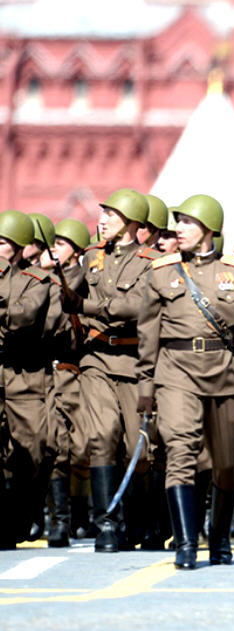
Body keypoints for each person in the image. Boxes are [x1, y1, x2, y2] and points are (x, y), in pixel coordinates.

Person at [136, 193, 234, 569]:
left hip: (226, 375)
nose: (178, 229)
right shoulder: (162, 272)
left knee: (228, 462)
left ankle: (219, 537)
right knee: (180, 451)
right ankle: (185, 542)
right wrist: (146, 388)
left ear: (208, 228)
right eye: (177, 222)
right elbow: (148, 334)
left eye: (187, 223)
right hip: (176, 372)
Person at [60, 188, 153, 552]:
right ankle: (107, 524)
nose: (102, 222)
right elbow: (71, 297)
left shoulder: (150, 261)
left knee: (138, 449)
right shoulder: (92, 257)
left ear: (132, 222)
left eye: (111, 216)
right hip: (97, 357)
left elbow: (137, 306)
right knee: (102, 435)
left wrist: (88, 304)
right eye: (102, 216)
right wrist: (67, 288)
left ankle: (137, 521)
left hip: (134, 360)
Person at [0, 210, 52, 549]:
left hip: (24, 376)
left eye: (2, 243)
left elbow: (25, 317)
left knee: (33, 451)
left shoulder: (36, 279)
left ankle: (25, 516)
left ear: (18, 247)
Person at [40, 218, 92, 547]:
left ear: (75, 252)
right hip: (50, 371)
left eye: (61, 243)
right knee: (55, 446)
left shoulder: (85, 279)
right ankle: (60, 520)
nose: (54, 247)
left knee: (85, 446)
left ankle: (83, 512)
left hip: (79, 372)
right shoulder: (40, 281)